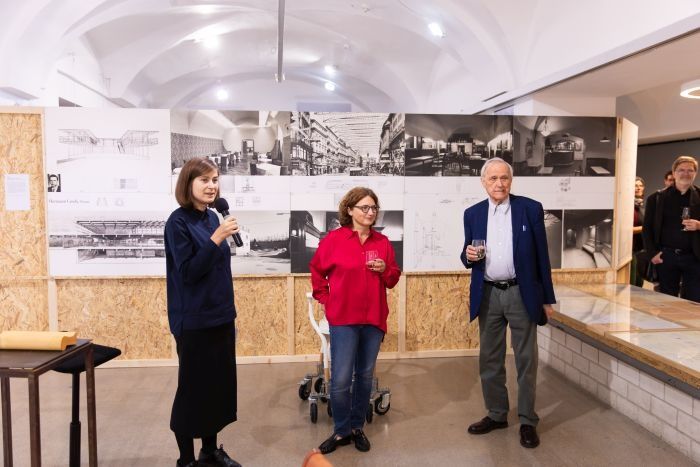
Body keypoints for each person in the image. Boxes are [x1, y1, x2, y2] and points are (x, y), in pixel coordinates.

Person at [459, 157, 555, 449]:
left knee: (526, 359)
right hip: (488, 294)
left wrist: (547, 299)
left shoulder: (530, 208)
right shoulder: (472, 213)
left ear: (511, 181)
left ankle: (527, 420)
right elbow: (467, 253)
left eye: (504, 178)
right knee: (490, 358)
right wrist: (467, 256)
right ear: (483, 182)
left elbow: (542, 257)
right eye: (493, 178)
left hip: (521, 293)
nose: (499, 184)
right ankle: (497, 414)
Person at [310, 187, 401, 455]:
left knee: (364, 377)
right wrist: (326, 299)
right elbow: (317, 271)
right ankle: (341, 430)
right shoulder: (334, 240)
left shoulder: (382, 242)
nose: (370, 212)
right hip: (343, 319)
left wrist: (385, 270)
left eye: (374, 208)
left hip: (373, 318)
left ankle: (357, 426)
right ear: (350, 210)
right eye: (364, 207)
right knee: (340, 379)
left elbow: (393, 278)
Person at [164, 157, 242, 467]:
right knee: (193, 391)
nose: (212, 186)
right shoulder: (177, 223)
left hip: (221, 316)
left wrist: (217, 234)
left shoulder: (213, 217)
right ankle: (186, 459)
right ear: (188, 183)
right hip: (194, 321)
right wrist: (218, 238)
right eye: (204, 180)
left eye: (215, 180)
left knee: (216, 389)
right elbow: (188, 273)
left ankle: (209, 451)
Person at [643, 155, 700, 302]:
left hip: (695, 257)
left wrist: (699, 225)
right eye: (681, 170)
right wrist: (652, 253)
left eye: (690, 170)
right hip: (666, 256)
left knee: (695, 301)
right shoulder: (656, 198)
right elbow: (647, 228)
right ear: (674, 173)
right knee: (667, 301)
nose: (686, 173)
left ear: (695, 173)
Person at [631, 176, 645, 286]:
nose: (638, 188)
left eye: (640, 186)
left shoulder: (641, 207)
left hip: (640, 251)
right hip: (630, 251)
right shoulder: (628, 207)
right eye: (635, 186)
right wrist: (646, 228)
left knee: (639, 284)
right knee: (633, 285)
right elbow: (626, 230)